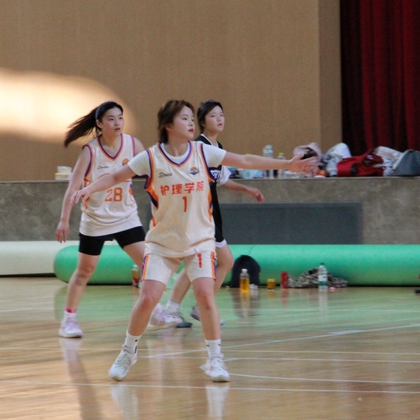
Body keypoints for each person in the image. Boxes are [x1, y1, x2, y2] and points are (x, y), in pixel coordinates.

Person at [71, 100, 317, 382]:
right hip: (162, 243)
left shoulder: (202, 151)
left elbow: (245, 161)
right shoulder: (151, 157)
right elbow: (115, 175)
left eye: (191, 118)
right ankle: (128, 351)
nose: (191, 123)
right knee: (148, 298)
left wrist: (288, 165)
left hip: (199, 240)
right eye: (184, 118)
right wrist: (89, 188)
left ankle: (215, 359)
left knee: (205, 296)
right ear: (168, 125)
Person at [148, 99, 264, 330]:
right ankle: (183, 307)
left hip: (209, 214)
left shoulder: (215, 147)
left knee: (207, 261)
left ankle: (181, 307)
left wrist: (246, 189)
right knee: (221, 260)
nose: (219, 119)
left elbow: (222, 180)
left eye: (222, 114)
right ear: (202, 121)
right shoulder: (196, 146)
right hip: (196, 215)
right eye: (213, 115)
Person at [56, 101, 147, 338]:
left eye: (120, 118)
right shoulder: (90, 151)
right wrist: (64, 219)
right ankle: (68, 319)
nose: (117, 123)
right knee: (84, 271)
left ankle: (156, 311)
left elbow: (154, 172)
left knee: (149, 264)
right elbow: (73, 187)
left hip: (126, 216)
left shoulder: (133, 144)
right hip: (96, 218)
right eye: (111, 119)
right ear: (99, 123)